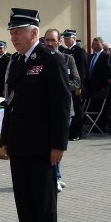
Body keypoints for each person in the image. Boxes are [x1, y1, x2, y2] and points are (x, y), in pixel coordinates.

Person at [0, 8, 70, 222]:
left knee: (43, 198)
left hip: (42, 144)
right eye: (11, 32)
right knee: (24, 197)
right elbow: (10, 103)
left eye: (18, 31)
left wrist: (58, 145)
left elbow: (61, 105)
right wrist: (5, 139)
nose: (13, 37)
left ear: (34, 32)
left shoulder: (51, 60)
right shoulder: (16, 62)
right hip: (19, 142)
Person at [43, 29, 77, 191]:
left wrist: (60, 87)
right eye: (47, 40)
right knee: (47, 145)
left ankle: (56, 176)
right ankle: (53, 177)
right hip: (45, 110)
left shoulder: (67, 59)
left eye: (52, 40)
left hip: (64, 110)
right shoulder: (40, 59)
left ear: (59, 41)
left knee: (58, 144)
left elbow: (76, 81)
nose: (49, 43)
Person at [60, 30, 87, 140]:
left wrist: (79, 86)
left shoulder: (79, 51)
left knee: (77, 109)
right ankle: (71, 132)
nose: (66, 40)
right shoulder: (66, 51)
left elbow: (82, 70)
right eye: (65, 38)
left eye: (68, 38)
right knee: (70, 110)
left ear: (74, 39)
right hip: (67, 85)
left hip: (75, 85)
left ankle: (78, 132)